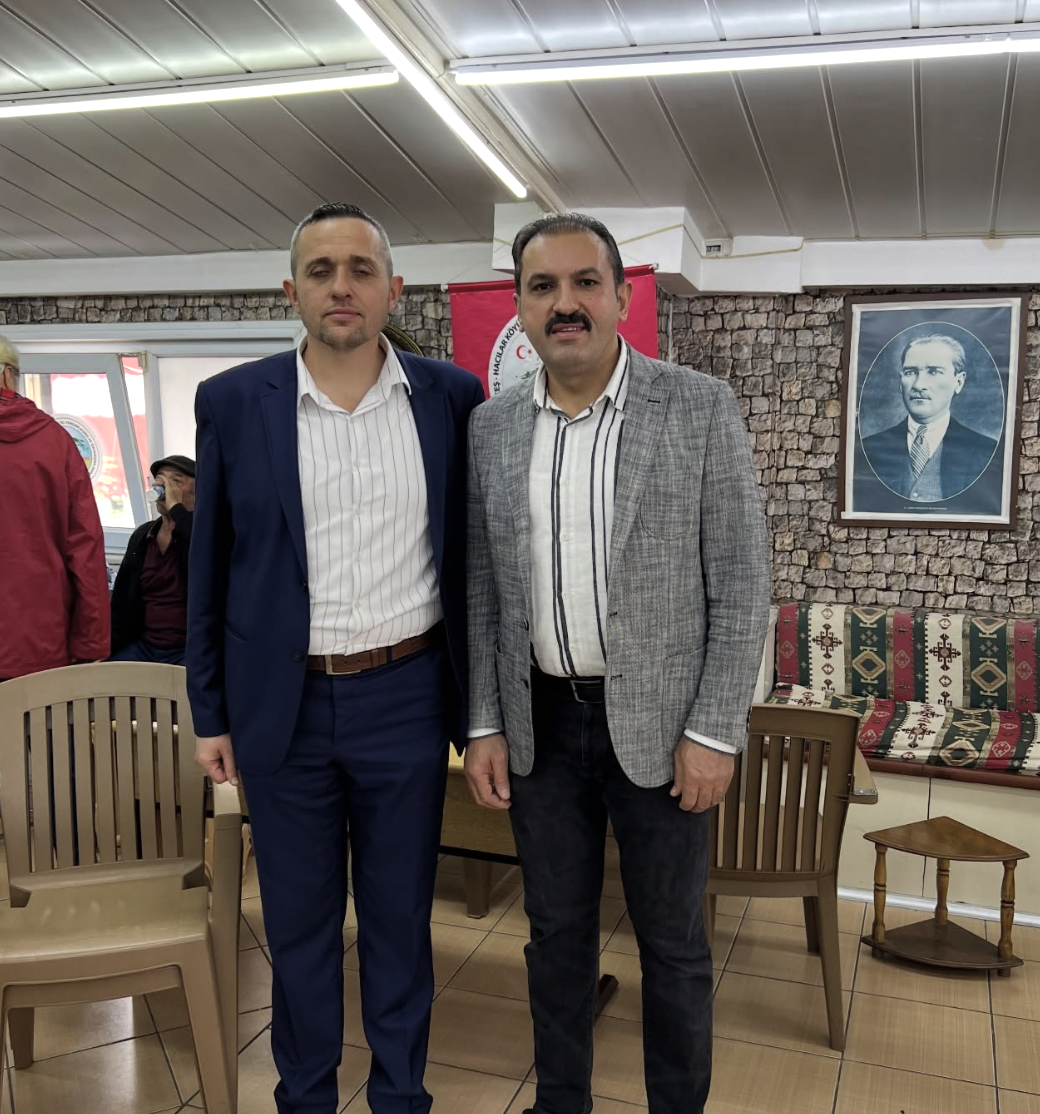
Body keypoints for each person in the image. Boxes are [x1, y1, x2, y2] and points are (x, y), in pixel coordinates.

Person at [464, 213, 770, 1114]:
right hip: (539, 728)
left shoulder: (697, 406)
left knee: (672, 943)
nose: (565, 304)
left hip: (667, 731)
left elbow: (743, 583)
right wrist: (483, 720)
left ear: (622, 298)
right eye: (543, 287)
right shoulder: (490, 428)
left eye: (584, 283)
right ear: (520, 306)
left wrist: (715, 731)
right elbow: (484, 588)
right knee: (554, 937)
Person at [186, 202, 484, 1114]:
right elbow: (211, 568)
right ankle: (306, 1099)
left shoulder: (452, 398)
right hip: (283, 709)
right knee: (299, 930)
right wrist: (209, 712)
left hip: (407, 697)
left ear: (394, 289)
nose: (341, 286)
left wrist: (481, 713)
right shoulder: (234, 403)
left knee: (399, 923)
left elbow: (474, 562)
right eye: (321, 270)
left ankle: (400, 1097)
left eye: (361, 269)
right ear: (292, 292)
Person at [0, 334, 110, 681]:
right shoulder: (56, 441)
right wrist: (92, 642)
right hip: (39, 642)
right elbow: (85, 547)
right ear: (8, 375)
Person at [860, 333, 998, 501]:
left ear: (958, 382)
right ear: (900, 381)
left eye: (934, 372)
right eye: (910, 372)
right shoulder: (868, 449)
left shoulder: (987, 452)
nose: (919, 385)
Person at [109, 455, 195, 665]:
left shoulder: (206, 534)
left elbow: (202, 550)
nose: (165, 487)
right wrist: (106, 650)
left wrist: (177, 509)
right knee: (101, 679)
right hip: (145, 647)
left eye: (176, 481)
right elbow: (120, 600)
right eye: (160, 479)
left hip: (189, 650)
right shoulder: (143, 536)